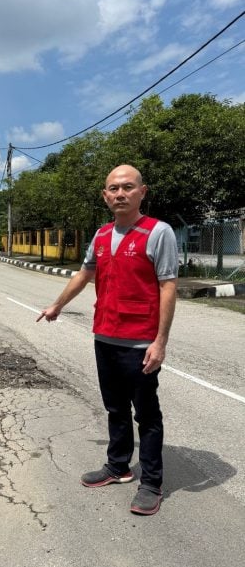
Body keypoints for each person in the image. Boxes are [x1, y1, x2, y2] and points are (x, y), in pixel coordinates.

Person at [37, 165, 178, 516]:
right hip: (105, 337)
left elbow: (168, 286)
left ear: (142, 192)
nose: (120, 193)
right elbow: (85, 274)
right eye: (113, 188)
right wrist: (57, 304)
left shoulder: (157, 232)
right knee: (115, 408)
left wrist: (160, 342)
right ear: (105, 195)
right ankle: (118, 467)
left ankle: (152, 482)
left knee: (146, 414)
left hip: (140, 342)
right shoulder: (100, 235)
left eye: (127, 187)